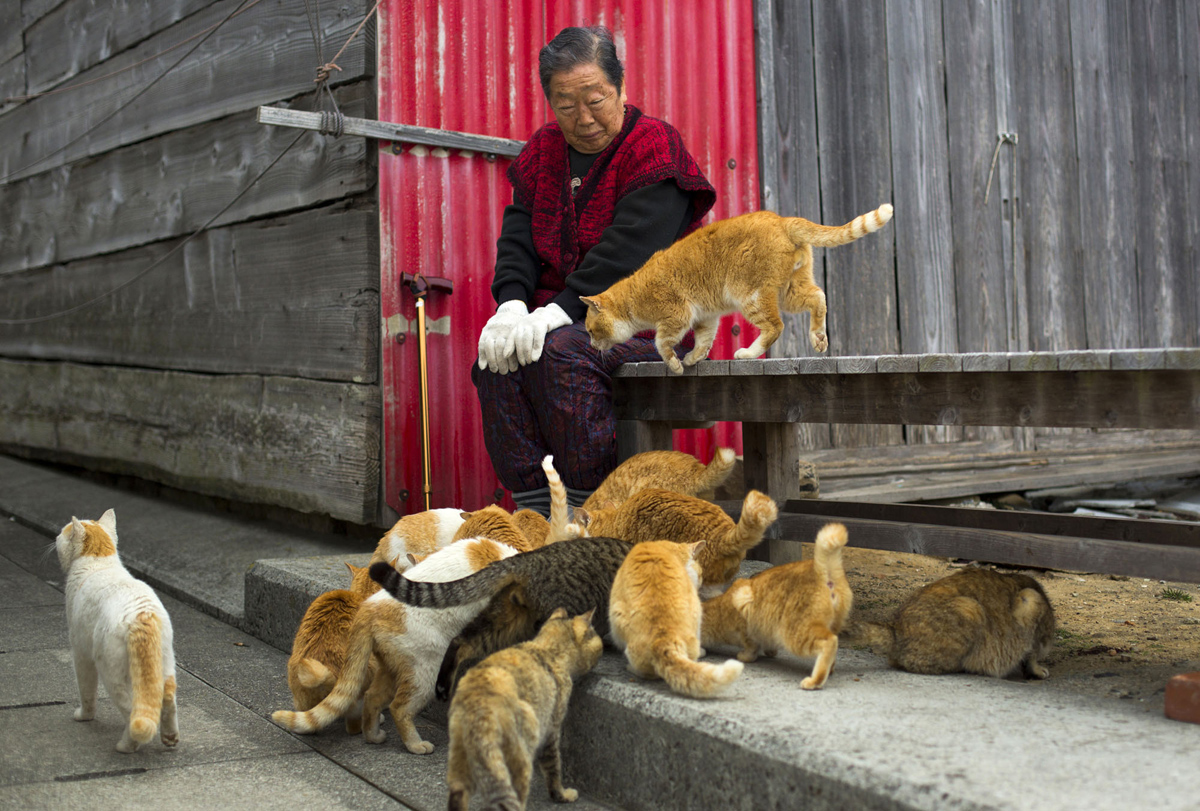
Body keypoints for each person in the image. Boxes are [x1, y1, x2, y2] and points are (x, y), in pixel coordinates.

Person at [471, 25, 716, 516]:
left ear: (621, 88)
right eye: (566, 106)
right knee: (495, 359)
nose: (583, 119)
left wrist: (553, 313)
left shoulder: (654, 147)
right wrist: (513, 304)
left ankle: (592, 509)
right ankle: (536, 511)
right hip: (567, 319)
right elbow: (517, 237)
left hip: (650, 322)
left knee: (560, 354)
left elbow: (629, 255)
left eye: (596, 100)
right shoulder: (542, 154)